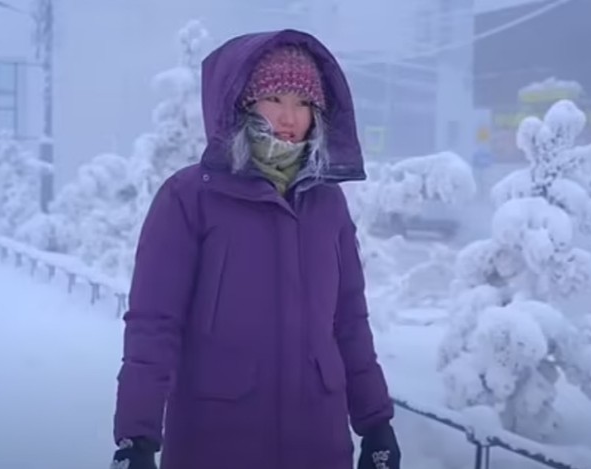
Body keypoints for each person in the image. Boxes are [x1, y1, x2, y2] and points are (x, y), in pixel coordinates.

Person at [110, 29, 401, 469]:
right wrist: (137, 437)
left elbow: (349, 322)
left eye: (304, 103)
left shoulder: (327, 202)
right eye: (275, 99)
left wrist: (376, 423)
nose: (290, 117)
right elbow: (154, 324)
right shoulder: (190, 198)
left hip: (318, 445)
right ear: (244, 102)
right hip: (217, 443)